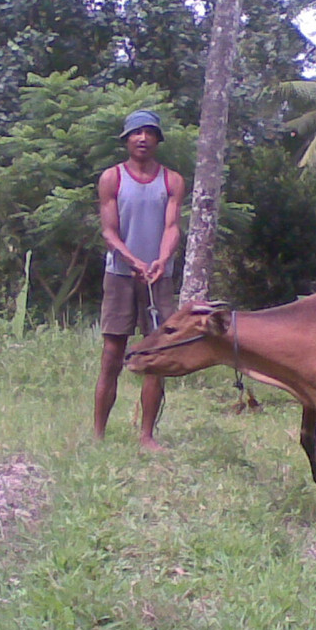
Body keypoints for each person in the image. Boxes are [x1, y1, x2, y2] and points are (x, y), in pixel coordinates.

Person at [93, 109, 187, 452]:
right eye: (136, 133)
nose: (143, 138)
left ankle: (147, 436)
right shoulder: (112, 178)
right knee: (112, 354)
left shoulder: (172, 180)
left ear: (158, 139)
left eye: (149, 132)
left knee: (157, 354)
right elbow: (109, 231)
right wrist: (132, 260)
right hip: (120, 275)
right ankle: (99, 435)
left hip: (158, 278)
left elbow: (172, 226)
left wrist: (161, 260)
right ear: (126, 139)